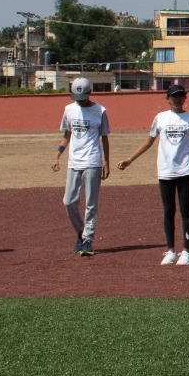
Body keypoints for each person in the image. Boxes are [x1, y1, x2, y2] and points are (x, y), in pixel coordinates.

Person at [117, 86, 189, 265]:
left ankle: (186, 251)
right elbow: (149, 141)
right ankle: (170, 250)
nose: (178, 99)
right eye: (174, 96)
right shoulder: (160, 118)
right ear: (167, 98)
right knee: (168, 211)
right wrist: (130, 159)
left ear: (185, 98)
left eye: (181, 96)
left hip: (185, 170)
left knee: (185, 210)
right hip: (165, 171)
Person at [52, 77, 110, 256]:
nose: (80, 101)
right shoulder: (69, 110)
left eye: (83, 97)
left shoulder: (100, 111)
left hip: (93, 161)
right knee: (68, 201)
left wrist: (106, 162)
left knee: (91, 203)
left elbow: (105, 138)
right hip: (74, 162)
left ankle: (87, 240)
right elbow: (67, 134)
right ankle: (81, 232)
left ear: (90, 93)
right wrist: (58, 155)